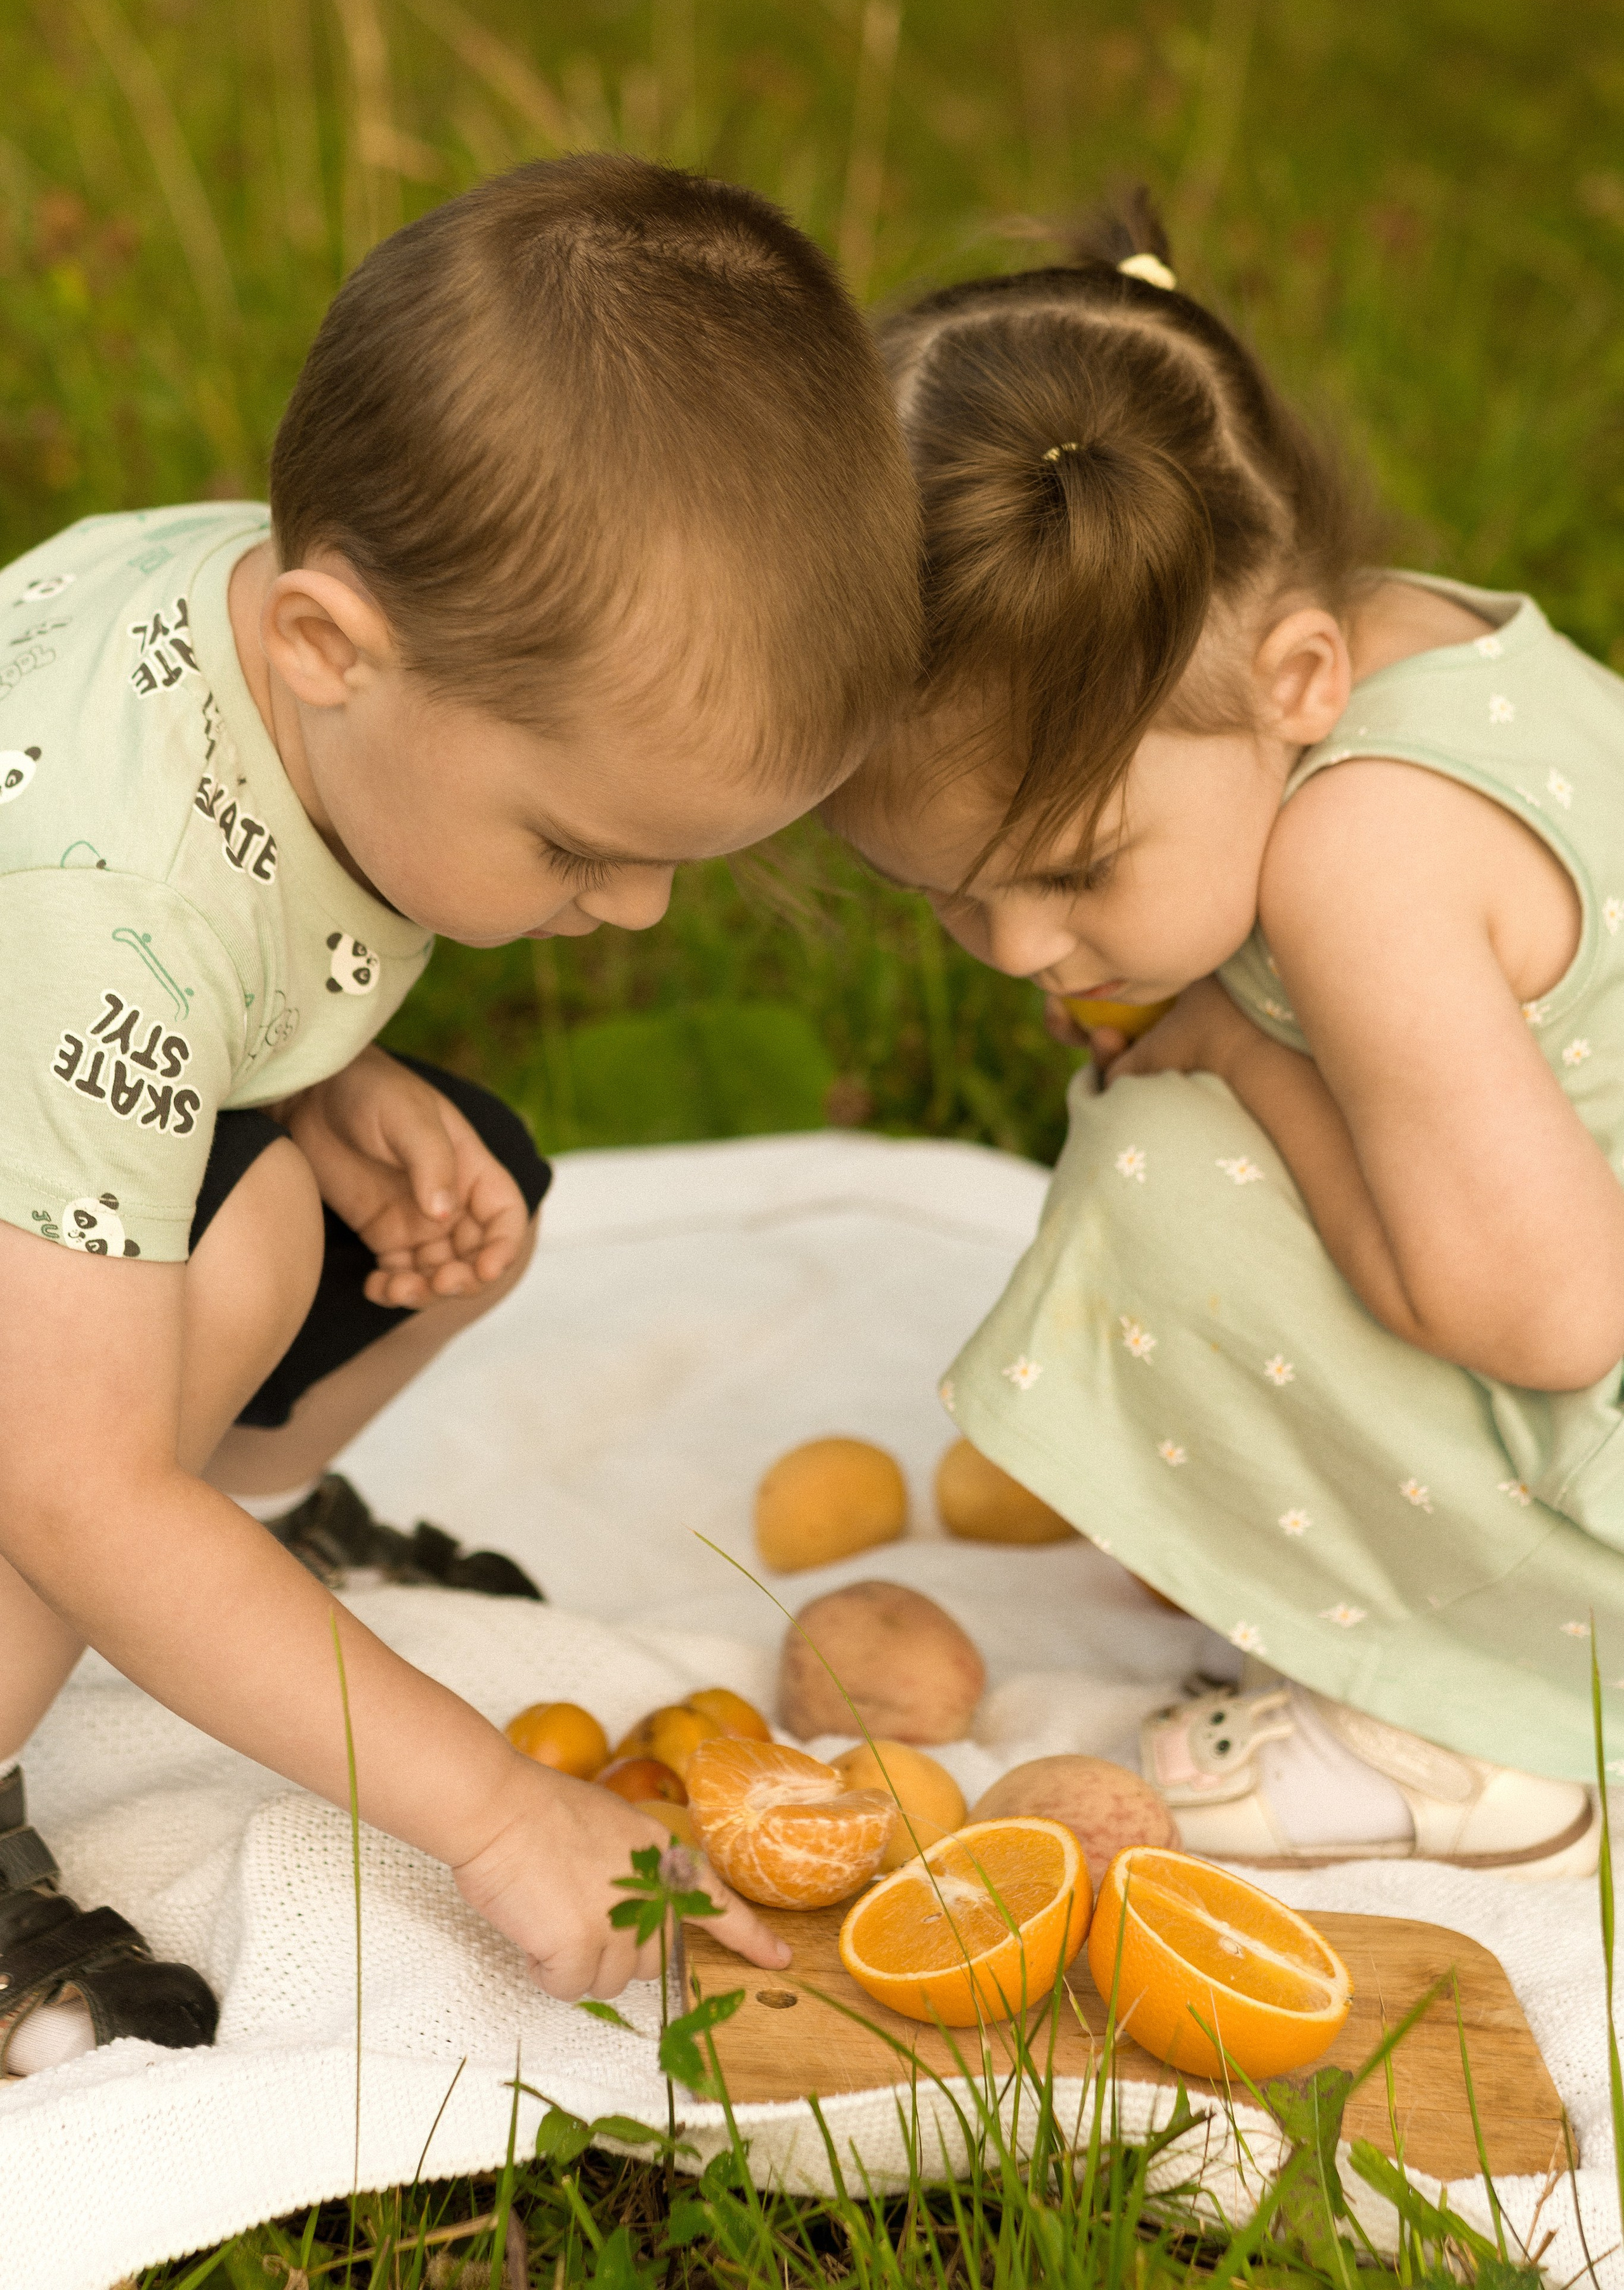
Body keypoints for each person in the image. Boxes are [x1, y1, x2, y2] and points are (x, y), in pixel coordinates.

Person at [0, 155, 922, 2073]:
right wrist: (490, 1808)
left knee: (432, 1205)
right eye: (582, 845)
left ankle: (241, 1553)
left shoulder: (275, 622)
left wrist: (321, 1062)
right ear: (338, 649)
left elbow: (194, 915)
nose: (642, 908)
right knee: (210, 1303)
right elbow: (66, 1480)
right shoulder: (102, 914)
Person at [825, 189, 1623, 1874]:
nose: (1020, 948)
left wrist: (1246, 1054)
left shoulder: (1364, 856)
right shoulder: (1397, 649)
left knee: (1168, 1168)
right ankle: (1357, 1547)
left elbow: (1549, 1314)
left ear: (1300, 680)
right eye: (953, 899)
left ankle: (1468, 1722)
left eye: (1075, 871)